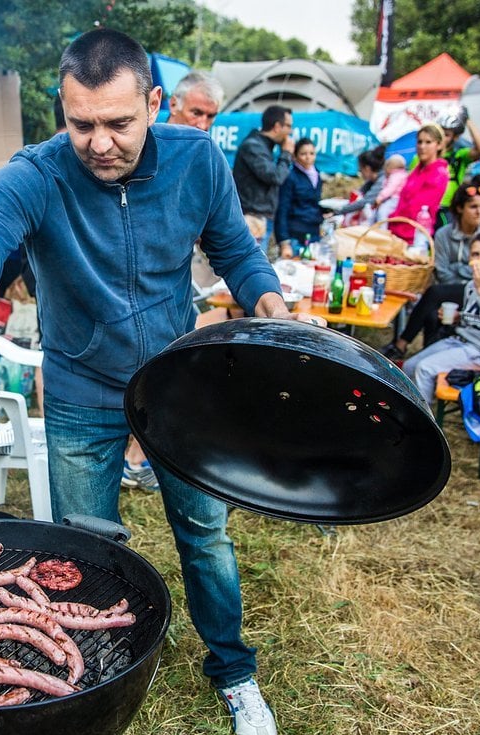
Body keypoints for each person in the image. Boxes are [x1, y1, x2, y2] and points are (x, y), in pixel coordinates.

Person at [0, 29, 306, 735]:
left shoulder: (199, 158)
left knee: (203, 534)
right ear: (62, 111)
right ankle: (100, 671)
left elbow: (235, 250)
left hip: (177, 387)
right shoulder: (37, 175)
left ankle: (233, 671)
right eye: (82, 124)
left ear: (155, 104)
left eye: (118, 123)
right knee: (82, 544)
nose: (100, 143)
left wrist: (277, 314)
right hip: (80, 389)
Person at [122, 69, 228, 492]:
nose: (203, 124)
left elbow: (225, 239)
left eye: (211, 117)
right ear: (170, 105)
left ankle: (141, 456)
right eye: (197, 112)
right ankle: (134, 458)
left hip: (170, 308)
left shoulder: (203, 158)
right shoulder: (135, 151)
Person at [382, 176, 480, 358]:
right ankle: (428, 357)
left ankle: (401, 344)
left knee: (435, 292)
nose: (479, 212)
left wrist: (459, 269)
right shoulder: (444, 235)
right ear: (460, 208)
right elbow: (443, 273)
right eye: (473, 207)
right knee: (432, 314)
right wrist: (469, 270)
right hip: (454, 291)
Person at [399, 231, 480, 402]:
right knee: (409, 366)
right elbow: (477, 318)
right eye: (476, 254)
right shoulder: (472, 284)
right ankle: (405, 413)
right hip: (459, 342)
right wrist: (459, 317)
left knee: (425, 369)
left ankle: (422, 424)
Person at [232, 105, 295, 252]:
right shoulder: (253, 146)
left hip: (260, 219)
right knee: (253, 271)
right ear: (277, 126)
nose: (290, 132)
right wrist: (286, 154)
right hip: (253, 219)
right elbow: (275, 177)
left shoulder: (264, 146)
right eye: (288, 126)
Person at [387, 123, 448, 244]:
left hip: (413, 236)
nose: (422, 146)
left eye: (428, 142)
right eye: (419, 142)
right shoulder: (417, 169)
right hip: (397, 231)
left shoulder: (438, 173)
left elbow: (417, 208)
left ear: (439, 145)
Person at [435, 106, 480, 218]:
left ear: (456, 137)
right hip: (427, 207)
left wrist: (467, 120)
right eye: (440, 133)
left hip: (448, 208)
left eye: (447, 135)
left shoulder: (459, 155)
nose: (442, 138)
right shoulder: (426, 156)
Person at [276, 138, 323, 259]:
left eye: (312, 153)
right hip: (295, 234)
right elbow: (282, 209)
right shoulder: (290, 177)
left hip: (313, 233)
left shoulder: (317, 175)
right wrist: (284, 241)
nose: (308, 157)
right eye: (303, 154)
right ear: (295, 156)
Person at [337, 146, 385, 225]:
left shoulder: (382, 181)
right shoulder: (372, 181)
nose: (360, 173)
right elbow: (358, 194)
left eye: (360, 169)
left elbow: (364, 202)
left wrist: (339, 211)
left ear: (367, 169)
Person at [374, 153, 408, 222]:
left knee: (382, 212)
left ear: (390, 167)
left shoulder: (396, 176)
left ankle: (382, 230)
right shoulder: (402, 174)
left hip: (395, 199)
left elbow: (390, 188)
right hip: (396, 199)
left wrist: (380, 198)